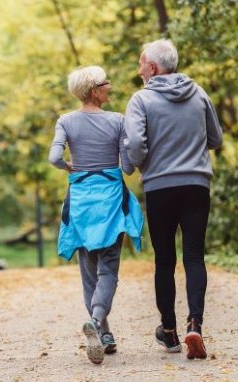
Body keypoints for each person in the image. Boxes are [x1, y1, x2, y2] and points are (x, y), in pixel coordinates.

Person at [124, 39, 222, 360]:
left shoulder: (141, 100)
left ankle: (169, 332)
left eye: (141, 64)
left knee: (165, 259)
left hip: (160, 187)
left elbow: (136, 145)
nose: (139, 70)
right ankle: (196, 323)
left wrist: (141, 165)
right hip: (197, 185)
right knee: (194, 256)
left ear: (152, 68)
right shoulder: (199, 93)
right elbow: (215, 138)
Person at [49, 66, 144, 364]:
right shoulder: (118, 121)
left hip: (80, 203)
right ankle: (99, 318)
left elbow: (54, 157)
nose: (110, 86)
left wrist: (69, 167)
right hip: (110, 201)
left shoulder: (66, 121)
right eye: (105, 83)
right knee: (109, 270)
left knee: (88, 271)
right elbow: (128, 168)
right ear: (94, 90)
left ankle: (102, 332)